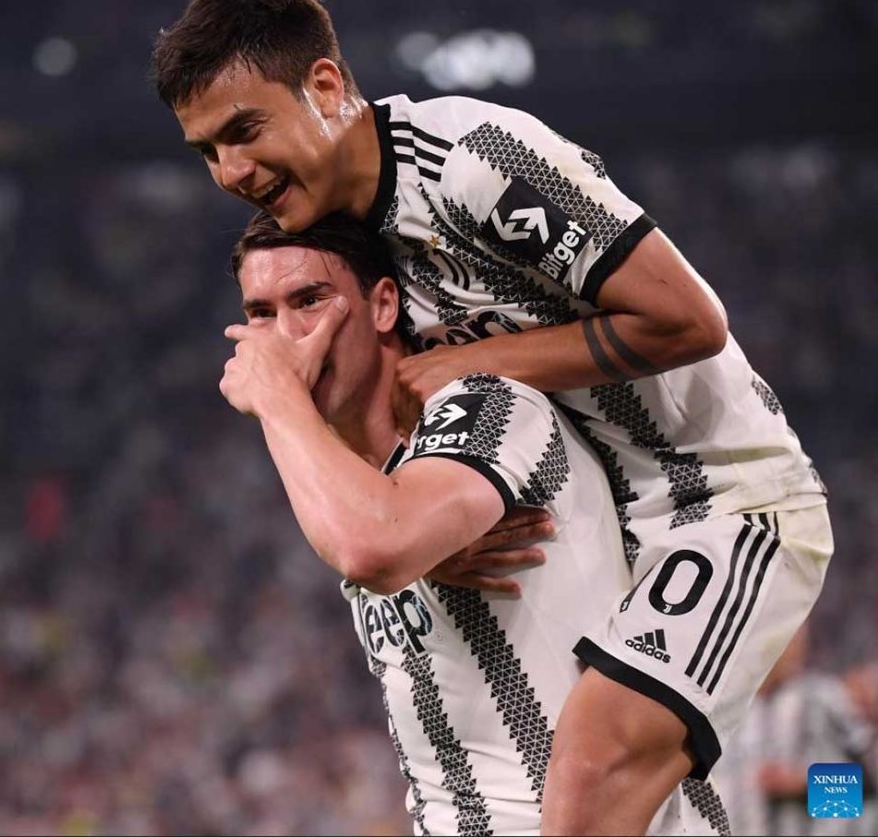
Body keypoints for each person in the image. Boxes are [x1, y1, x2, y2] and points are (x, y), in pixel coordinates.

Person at [151, 0, 833, 832]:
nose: (229, 170)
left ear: (325, 85)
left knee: (589, 772)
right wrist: (430, 535)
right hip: (611, 523)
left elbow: (689, 321)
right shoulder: (353, 240)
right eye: (207, 151)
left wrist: (815, 793)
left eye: (244, 130)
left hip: (724, 501)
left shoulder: (472, 159)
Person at [217, 208, 729, 835]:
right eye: (261, 314)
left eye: (310, 300)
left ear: (382, 306)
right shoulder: (354, 484)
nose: (286, 337)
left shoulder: (486, 403)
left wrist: (277, 399)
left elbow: (375, 548)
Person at [712, 625, 876, 836]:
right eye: (788, 635)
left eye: (799, 637)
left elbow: (868, 791)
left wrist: (804, 785)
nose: (795, 647)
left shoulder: (825, 700)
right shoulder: (720, 706)